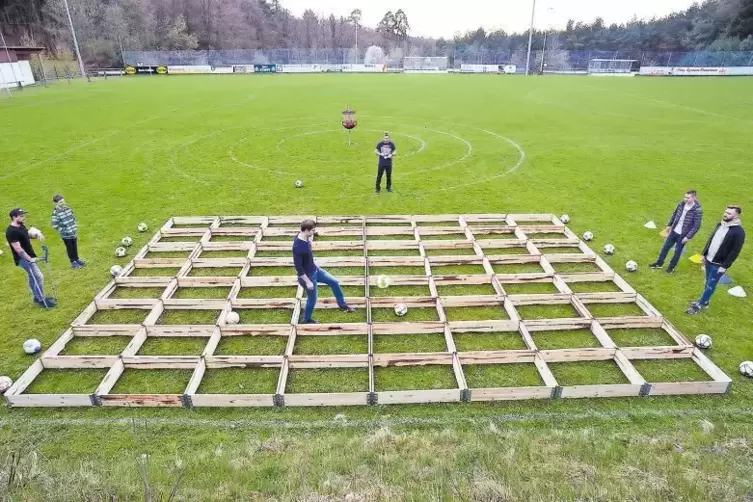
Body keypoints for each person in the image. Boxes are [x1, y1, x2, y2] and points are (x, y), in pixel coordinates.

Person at [293, 219, 355, 324]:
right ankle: (306, 319)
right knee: (312, 300)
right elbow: (298, 268)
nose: (313, 232)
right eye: (312, 230)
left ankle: (342, 305)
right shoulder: (298, 247)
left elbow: (308, 236)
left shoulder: (303, 235)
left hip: (315, 270)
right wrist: (308, 282)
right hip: (308, 277)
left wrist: (315, 233)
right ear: (306, 230)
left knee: (334, 282)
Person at [686, 205, 745, 315]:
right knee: (707, 282)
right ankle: (705, 302)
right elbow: (711, 240)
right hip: (709, 259)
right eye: (726, 212)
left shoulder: (738, 232)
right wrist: (704, 254)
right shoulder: (720, 224)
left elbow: (734, 251)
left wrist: (725, 266)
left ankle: (699, 305)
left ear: (736, 216)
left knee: (710, 285)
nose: (726, 214)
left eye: (729, 213)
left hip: (718, 264)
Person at [5, 208, 57, 308]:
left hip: (30, 256)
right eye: (21, 216)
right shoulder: (11, 231)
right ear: (14, 217)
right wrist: (30, 259)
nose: (24, 217)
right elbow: (18, 248)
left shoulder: (20, 225)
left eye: (24, 215)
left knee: (32, 276)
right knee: (38, 277)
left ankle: (37, 297)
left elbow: (25, 234)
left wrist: (35, 234)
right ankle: (40, 299)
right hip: (23, 258)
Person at [649, 190, 703, 274]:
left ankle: (671, 268)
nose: (685, 199)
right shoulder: (681, 204)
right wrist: (669, 225)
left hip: (683, 235)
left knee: (677, 252)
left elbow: (696, 226)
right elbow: (674, 215)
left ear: (694, 198)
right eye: (685, 197)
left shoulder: (697, 210)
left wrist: (688, 237)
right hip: (673, 231)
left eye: (688, 198)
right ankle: (659, 263)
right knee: (665, 247)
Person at [51, 194, 86, 269]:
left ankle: (77, 259)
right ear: (56, 203)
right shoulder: (55, 213)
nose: (63, 203)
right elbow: (55, 226)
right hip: (66, 235)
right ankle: (73, 262)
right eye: (60, 202)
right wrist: (65, 231)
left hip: (73, 232)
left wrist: (75, 226)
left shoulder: (68, 209)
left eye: (63, 201)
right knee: (70, 248)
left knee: (74, 246)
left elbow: (73, 218)